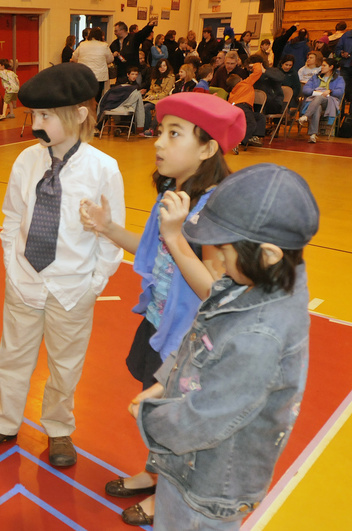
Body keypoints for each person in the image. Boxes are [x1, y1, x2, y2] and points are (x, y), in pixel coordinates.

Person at [80, 91, 245, 527]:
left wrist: (176, 236)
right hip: (158, 326)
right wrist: (109, 228)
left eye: (175, 134)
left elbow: (215, 291)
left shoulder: (216, 211)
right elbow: (154, 254)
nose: (158, 142)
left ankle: (166, 498)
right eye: (162, 131)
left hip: (192, 343)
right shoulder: (173, 193)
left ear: (208, 148)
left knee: (176, 425)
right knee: (156, 416)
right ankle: (154, 473)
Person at [134, 163, 319, 531]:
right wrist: (166, 380)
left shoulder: (260, 336)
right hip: (189, 466)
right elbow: (201, 338)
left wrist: (149, 418)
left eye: (226, 248)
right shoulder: (260, 280)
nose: (216, 256)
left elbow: (206, 418)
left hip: (208, 489)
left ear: (267, 255)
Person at [0, 62, 125, 467]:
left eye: (45, 116)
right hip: (25, 279)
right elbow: (11, 215)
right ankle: (3, 421)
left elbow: (112, 234)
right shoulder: (26, 161)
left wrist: (95, 281)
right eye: (34, 115)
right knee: (14, 353)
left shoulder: (102, 168)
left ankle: (58, 428)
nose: (36, 124)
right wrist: (11, 262)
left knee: (65, 363)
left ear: (78, 114)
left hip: (72, 287)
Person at [298, 57, 346, 143]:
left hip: (329, 101)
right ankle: (313, 135)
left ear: (331, 67)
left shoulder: (339, 79)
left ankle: (306, 116)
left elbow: (340, 92)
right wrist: (314, 91)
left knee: (320, 98)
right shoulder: (315, 77)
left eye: (324, 65)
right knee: (318, 107)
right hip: (315, 101)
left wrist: (330, 91)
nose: (322, 67)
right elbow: (305, 89)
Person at [227, 62, 266, 149]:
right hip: (243, 106)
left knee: (260, 117)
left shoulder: (233, 91)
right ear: (241, 79)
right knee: (252, 123)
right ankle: (239, 141)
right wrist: (255, 65)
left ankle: (253, 137)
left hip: (234, 108)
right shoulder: (245, 83)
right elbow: (258, 72)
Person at [72, 26, 114, 99]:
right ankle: (95, 109)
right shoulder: (104, 45)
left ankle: (85, 109)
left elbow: (74, 57)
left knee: (85, 96)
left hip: (84, 74)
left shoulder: (82, 44)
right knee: (97, 97)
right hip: (99, 76)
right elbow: (110, 59)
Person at [142, 59, 176, 136]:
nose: (162, 68)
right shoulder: (154, 77)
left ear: (167, 66)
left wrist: (154, 96)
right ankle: (146, 129)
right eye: (160, 66)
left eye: (164, 66)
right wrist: (148, 95)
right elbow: (151, 89)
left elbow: (165, 92)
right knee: (145, 107)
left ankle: (152, 129)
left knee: (159, 109)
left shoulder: (171, 77)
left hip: (164, 99)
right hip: (153, 99)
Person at [338, 25, 352, 101]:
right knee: (342, 88)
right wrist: (342, 53)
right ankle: (341, 111)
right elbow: (337, 49)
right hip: (346, 66)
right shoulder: (346, 35)